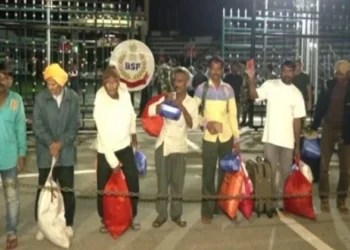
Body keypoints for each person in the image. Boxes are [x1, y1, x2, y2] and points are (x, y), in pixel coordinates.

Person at [247, 60, 306, 209]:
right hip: (271, 138)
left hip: (288, 140)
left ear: (294, 73)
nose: (287, 74)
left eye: (290, 71)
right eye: (284, 71)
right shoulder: (270, 85)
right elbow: (253, 95)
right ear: (281, 71)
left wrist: (297, 145)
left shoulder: (297, 94)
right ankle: (271, 202)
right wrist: (251, 78)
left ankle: (282, 202)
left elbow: (297, 121)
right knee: (270, 172)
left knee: (286, 173)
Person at [32, 63, 80, 240]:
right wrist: (51, 143)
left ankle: (68, 223)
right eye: (48, 83)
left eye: (54, 83)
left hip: (66, 152)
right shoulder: (40, 98)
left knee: (67, 190)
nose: (50, 87)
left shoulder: (73, 98)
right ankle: (42, 225)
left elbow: (75, 124)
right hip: (46, 153)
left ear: (62, 82)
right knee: (44, 191)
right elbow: (37, 126)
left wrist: (61, 144)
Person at [148, 67, 198, 228]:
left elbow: (193, 125)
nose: (177, 84)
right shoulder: (168, 97)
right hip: (163, 145)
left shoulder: (192, 102)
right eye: (175, 80)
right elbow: (150, 111)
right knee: (162, 184)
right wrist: (163, 103)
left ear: (187, 83)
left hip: (180, 147)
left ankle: (176, 215)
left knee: (177, 184)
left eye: (181, 81)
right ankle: (161, 215)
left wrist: (180, 106)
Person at [93, 65, 140, 232]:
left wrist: (133, 133)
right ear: (104, 83)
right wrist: (113, 162)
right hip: (107, 147)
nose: (111, 85)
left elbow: (132, 114)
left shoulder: (125, 93)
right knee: (104, 186)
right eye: (108, 82)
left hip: (124, 145)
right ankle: (104, 219)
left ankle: (132, 216)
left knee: (133, 181)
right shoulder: (100, 98)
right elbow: (102, 133)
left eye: (114, 81)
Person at [194, 56, 240, 224]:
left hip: (226, 138)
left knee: (224, 174)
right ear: (209, 69)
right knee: (207, 175)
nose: (215, 72)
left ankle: (220, 207)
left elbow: (233, 115)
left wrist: (237, 138)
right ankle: (207, 211)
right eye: (213, 69)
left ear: (223, 70)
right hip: (209, 138)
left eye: (218, 69)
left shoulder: (228, 90)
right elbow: (194, 112)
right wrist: (206, 123)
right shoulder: (201, 89)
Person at [311, 60, 350, 214]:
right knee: (323, 167)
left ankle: (341, 200)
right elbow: (320, 106)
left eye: (342, 73)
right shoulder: (328, 86)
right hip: (328, 129)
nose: (339, 76)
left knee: (346, 170)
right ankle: (324, 198)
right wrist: (314, 126)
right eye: (338, 73)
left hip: (346, 132)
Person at [0, 64, 27, 250]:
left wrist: (22, 153)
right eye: (1, 77)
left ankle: (11, 232)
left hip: (9, 159)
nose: (3, 82)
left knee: (11, 197)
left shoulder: (16, 100)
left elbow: (20, 129)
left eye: (7, 78)